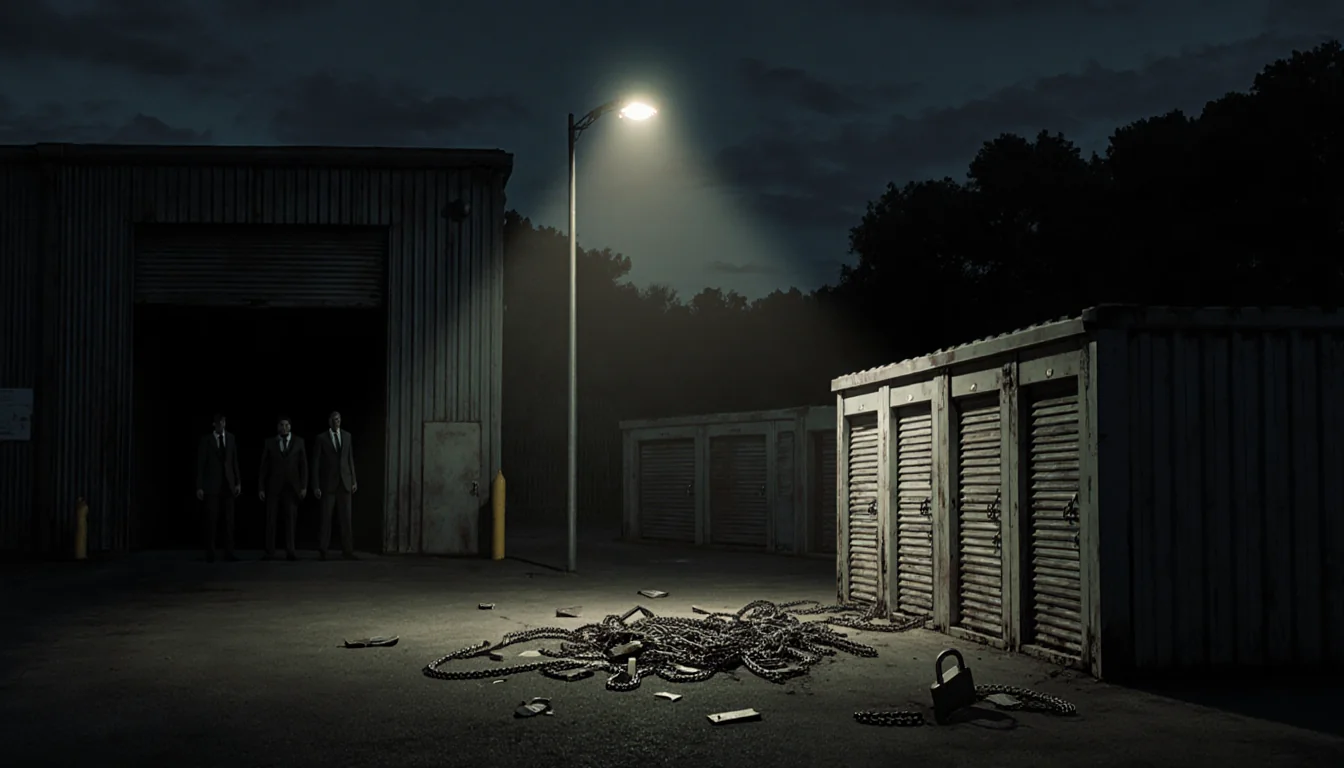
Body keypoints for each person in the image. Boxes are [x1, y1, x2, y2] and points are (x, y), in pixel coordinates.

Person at [258, 416, 308, 561]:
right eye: (281, 425)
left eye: (287, 425)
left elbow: (304, 466)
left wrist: (304, 486)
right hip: (273, 487)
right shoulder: (270, 443)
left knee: (291, 520)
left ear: (290, 427)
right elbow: (264, 467)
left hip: (292, 488)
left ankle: (290, 551)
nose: (284, 427)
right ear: (277, 427)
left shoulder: (299, 442)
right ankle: (269, 551)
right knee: (271, 520)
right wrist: (261, 487)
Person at [196, 413, 241, 562]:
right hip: (211, 485)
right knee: (211, 520)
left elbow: (234, 461)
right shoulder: (206, 440)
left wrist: (237, 482)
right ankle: (210, 552)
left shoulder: (231, 438)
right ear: (214, 424)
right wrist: (200, 486)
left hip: (228, 485)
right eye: (218, 422)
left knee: (229, 521)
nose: (221, 424)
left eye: (223, 422)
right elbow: (201, 464)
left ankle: (229, 552)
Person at [312, 411, 357, 560]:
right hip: (328, 484)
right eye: (333, 420)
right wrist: (316, 485)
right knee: (326, 518)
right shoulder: (321, 438)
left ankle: (348, 551)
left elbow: (349, 459)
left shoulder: (347, 436)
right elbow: (316, 462)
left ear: (341, 421)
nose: (336, 422)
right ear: (329, 421)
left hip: (345, 482)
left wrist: (354, 481)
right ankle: (323, 550)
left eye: (338, 419)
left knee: (346, 519)